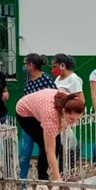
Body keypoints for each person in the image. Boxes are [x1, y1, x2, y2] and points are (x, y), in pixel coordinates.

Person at [16, 89, 85, 182]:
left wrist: (65, 122)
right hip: (25, 113)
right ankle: (43, 179)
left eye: (78, 119)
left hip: (41, 104)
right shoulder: (51, 115)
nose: (74, 122)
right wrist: (57, 179)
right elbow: (50, 150)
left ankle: (52, 174)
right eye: (71, 119)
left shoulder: (73, 100)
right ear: (63, 111)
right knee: (47, 147)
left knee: (55, 144)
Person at [18, 53, 57, 183]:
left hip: (42, 122)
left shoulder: (46, 80)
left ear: (31, 65)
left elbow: (53, 100)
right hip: (28, 120)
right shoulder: (28, 79)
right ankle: (22, 182)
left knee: (45, 151)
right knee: (25, 153)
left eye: (25, 64)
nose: (23, 67)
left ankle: (43, 179)